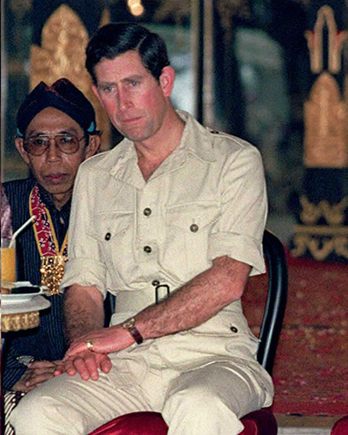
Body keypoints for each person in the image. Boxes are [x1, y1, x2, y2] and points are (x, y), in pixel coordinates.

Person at [11, 22, 272, 435]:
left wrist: (129, 331)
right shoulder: (96, 175)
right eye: (109, 89)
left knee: (197, 406)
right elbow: (84, 285)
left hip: (215, 354)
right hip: (124, 364)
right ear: (97, 93)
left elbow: (227, 280)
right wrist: (87, 345)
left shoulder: (232, 161)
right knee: (37, 412)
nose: (123, 102)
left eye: (133, 83)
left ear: (165, 81)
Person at [2, 79, 101, 399]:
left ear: (91, 146)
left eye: (67, 141)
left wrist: (75, 363)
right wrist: (11, 373)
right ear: (23, 149)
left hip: (99, 366)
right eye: (39, 142)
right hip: (17, 368)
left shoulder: (116, 209)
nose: (53, 157)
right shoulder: (4, 206)